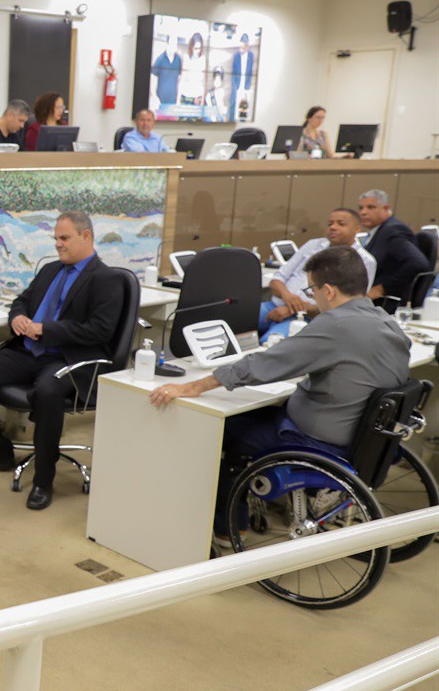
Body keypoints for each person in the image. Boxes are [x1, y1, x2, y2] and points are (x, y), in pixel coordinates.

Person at [149, 245, 410, 540]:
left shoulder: (335, 325)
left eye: (311, 290)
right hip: (365, 436)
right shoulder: (389, 323)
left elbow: (263, 364)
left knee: (223, 428)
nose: (312, 297)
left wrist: (193, 386)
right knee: (257, 413)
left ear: (328, 291)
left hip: (318, 439)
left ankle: (228, 527)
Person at [0, 211, 125, 510]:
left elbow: (99, 330)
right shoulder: (50, 270)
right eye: (56, 239)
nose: (58, 245)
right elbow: (22, 299)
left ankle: (43, 481)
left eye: (64, 238)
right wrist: (19, 317)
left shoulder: (106, 278)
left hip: (66, 358)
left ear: (86, 236)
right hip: (29, 352)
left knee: (46, 392)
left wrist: (45, 329)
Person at [257, 208, 377, 342]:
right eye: (330, 224)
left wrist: (293, 309)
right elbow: (277, 280)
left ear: (357, 229)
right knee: (232, 321)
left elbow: (348, 305)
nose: (333, 227)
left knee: (270, 342)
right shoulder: (313, 245)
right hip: (275, 305)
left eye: (341, 224)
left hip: (310, 318)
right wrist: (288, 296)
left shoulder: (364, 260)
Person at [358, 188, 429, 309]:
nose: (363, 212)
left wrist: (383, 288)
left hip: (384, 305)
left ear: (385, 209)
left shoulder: (393, 230)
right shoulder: (378, 231)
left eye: (370, 207)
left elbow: (418, 262)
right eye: (361, 208)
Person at [150, 34, 181, 112]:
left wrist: (178, 100)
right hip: (160, 102)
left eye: (175, 43)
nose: (174, 45)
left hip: (173, 102)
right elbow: (152, 78)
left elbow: (179, 80)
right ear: (167, 44)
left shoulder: (178, 60)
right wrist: (154, 96)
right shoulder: (160, 59)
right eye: (172, 43)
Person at [229, 33, 256, 121]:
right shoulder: (236, 56)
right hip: (236, 85)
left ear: (247, 46)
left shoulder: (251, 56)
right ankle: (230, 121)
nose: (241, 49)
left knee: (244, 108)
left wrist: (247, 87)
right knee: (233, 104)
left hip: (246, 85)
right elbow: (233, 72)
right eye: (240, 47)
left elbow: (251, 72)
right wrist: (234, 86)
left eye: (243, 47)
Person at [179, 32, 206, 107]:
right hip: (186, 97)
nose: (198, 51)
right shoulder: (186, 58)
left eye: (199, 48)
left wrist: (202, 100)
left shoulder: (203, 59)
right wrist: (178, 100)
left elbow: (204, 83)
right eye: (196, 48)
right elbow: (182, 79)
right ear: (191, 47)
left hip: (197, 98)